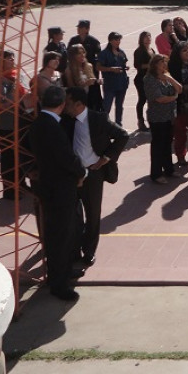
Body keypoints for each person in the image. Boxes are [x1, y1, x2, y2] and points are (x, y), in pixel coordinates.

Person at [29, 86, 87, 301]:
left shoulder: (38, 124)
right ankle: (59, 283)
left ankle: (62, 271)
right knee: (60, 236)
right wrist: (81, 171)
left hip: (51, 186)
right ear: (62, 105)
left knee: (63, 233)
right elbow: (66, 157)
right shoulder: (52, 127)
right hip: (60, 188)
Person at [63, 86, 129, 269]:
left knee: (93, 213)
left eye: (68, 103)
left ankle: (89, 250)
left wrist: (105, 159)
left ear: (79, 104)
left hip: (93, 173)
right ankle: (74, 249)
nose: (64, 106)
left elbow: (123, 135)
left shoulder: (98, 119)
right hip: (74, 174)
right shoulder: (66, 120)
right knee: (74, 215)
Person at [0, 50, 34, 199]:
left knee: (20, 155)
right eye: (8, 58)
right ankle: (9, 189)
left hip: (21, 120)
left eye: (13, 57)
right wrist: (17, 98)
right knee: (8, 156)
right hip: (5, 124)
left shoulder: (18, 75)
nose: (12, 60)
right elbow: (2, 102)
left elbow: (27, 92)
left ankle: (21, 184)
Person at [143, 54, 181, 184]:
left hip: (170, 115)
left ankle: (169, 169)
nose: (164, 65)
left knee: (167, 144)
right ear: (154, 64)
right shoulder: (149, 79)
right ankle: (156, 173)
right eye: (161, 62)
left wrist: (170, 79)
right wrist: (174, 98)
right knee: (158, 145)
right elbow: (159, 98)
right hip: (157, 117)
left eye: (165, 62)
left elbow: (179, 89)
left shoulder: (167, 76)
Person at [97, 31, 130, 126]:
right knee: (107, 106)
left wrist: (125, 68)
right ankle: (103, 125)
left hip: (122, 83)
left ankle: (118, 124)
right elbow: (98, 67)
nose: (118, 41)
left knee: (119, 106)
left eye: (119, 39)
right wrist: (110, 69)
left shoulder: (121, 52)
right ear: (110, 41)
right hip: (110, 84)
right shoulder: (104, 53)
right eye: (116, 39)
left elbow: (124, 63)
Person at [68, 20, 103, 111]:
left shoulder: (93, 41)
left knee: (93, 91)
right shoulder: (73, 40)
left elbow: (99, 56)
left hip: (89, 68)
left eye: (80, 28)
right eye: (78, 27)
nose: (78, 29)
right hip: (76, 68)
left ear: (87, 29)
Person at [133, 31, 155, 132]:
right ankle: (140, 121)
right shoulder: (139, 51)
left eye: (149, 36)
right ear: (141, 39)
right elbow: (137, 65)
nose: (148, 38)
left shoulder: (152, 50)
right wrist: (150, 65)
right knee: (142, 99)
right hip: (141, 79)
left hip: (151, 78)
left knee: (152, 100)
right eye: (145, 37)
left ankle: (151, 119)